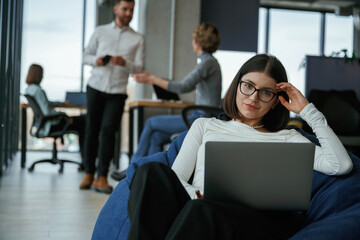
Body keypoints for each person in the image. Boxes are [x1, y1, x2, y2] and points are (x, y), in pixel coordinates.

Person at [126, 54, 353, 239]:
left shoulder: (289, 138)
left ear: (276, 101)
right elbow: (176, 179)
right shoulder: (205, 126)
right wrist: (197, 195)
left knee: (201, 211)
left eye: (266, 92)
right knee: (149, 172)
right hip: (199, 207)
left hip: (256, 222)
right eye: (248, 86)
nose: (253, 98)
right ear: (237, 86)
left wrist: (307, 110)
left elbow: (340, 165)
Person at [111, 22, 222, 181]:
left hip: (200, 118)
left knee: (150, 123)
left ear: (198, 42)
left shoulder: (207, 62)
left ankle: (132, 169)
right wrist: (152, 79)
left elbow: (183, 86)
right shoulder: (209, 62)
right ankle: (149, 175)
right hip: (201, 115)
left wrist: (152, 79)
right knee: (156, 137)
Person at [79, 0, 144, 194]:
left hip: (117, 91)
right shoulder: (100, 31)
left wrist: (125, 63)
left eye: (131, 10)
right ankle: (88, 173)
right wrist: (97, 60)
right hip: (96, 86)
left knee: (108, 131)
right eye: (125, 9)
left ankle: (102, 177)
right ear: (116, 9)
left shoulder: (138, 38)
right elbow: (85, 56)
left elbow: (138, 67)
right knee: (91, 129)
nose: (128, 13)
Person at [25, 64, 86, 159]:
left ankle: (86, 160)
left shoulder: (29, 90)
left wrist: (62, 103)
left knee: (81, 121)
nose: (42, 77)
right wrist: (64, 115)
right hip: (51, 125)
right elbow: (47, 112)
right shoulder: (38, 90)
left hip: (42, 125)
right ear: (38, 75)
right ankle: (85, 160)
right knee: (84, 122)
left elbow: (46, 103)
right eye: (41, 74)